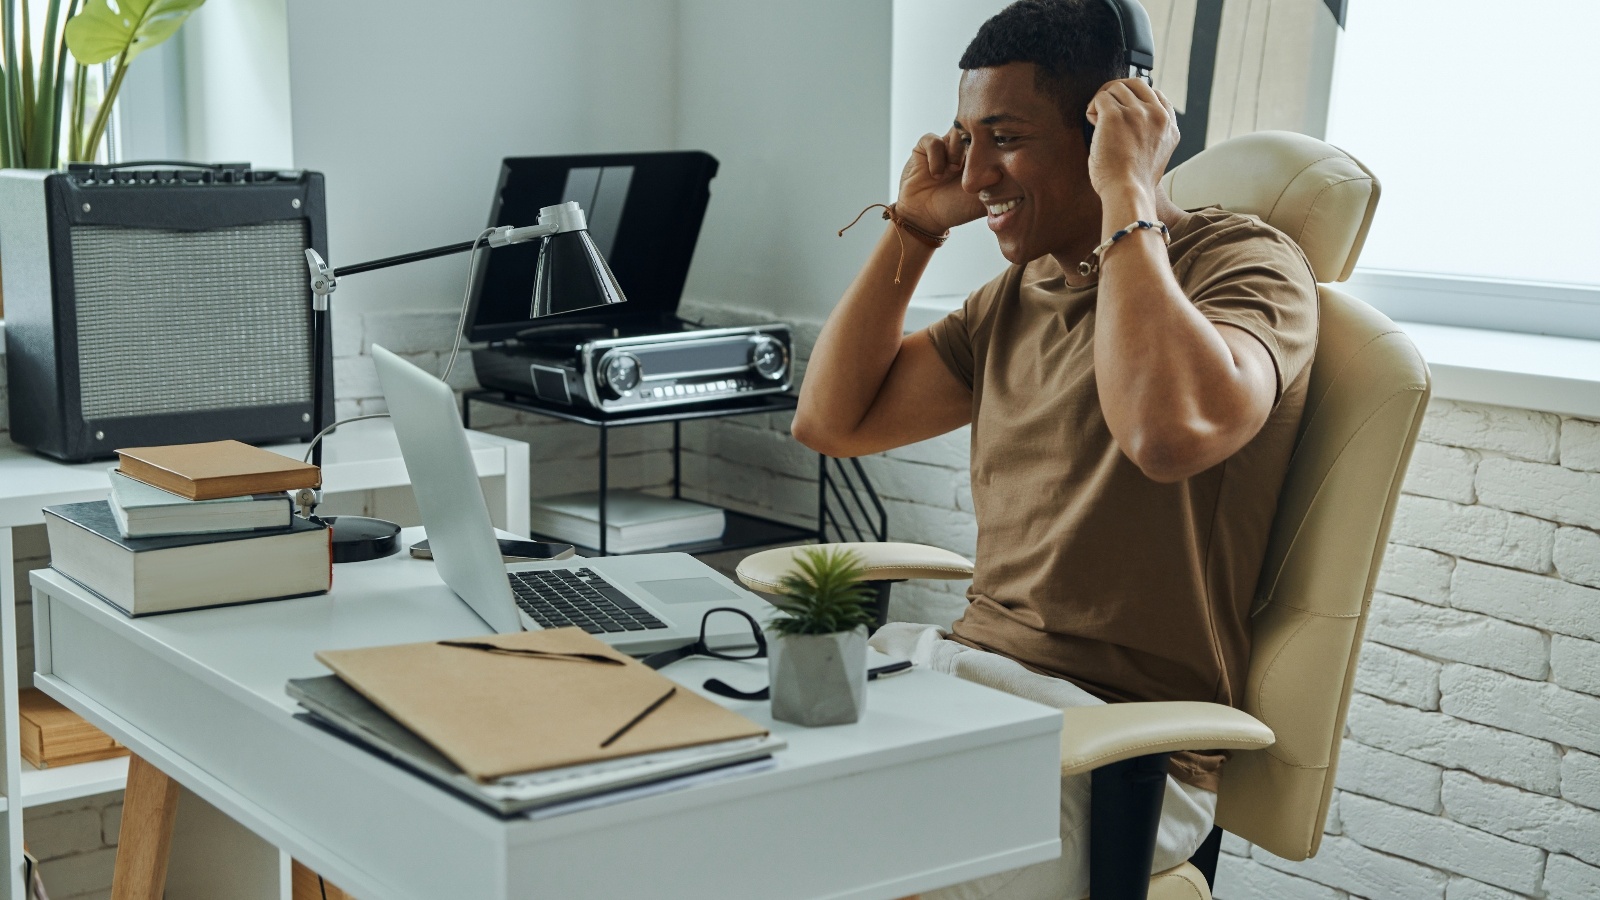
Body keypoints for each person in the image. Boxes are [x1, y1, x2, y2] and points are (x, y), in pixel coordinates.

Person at [791, 1, 1319, 897]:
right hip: (960, 683)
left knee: (817, 867)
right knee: (706, 805)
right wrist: (914, 228)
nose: (978, 170)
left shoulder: (1245, 265)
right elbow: (833, 423)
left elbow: (1165, 433)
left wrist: (1127, 191)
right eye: (966, 138)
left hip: (1117, 752)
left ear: (1115, 118)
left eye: (1005, 137)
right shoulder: (1021, 292)